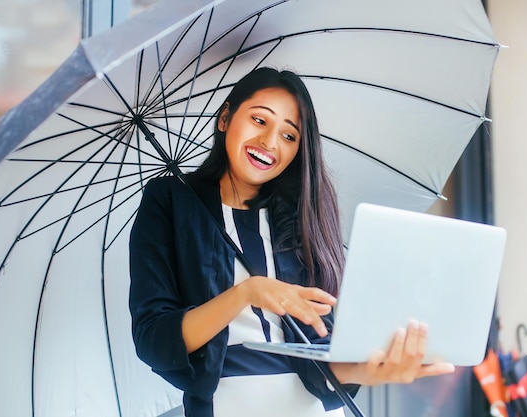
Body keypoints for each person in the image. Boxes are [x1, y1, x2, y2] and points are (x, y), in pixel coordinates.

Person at [128, 67, 455, 417]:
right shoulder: (170, 201)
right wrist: (246, 292)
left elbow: (321, 347)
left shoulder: (300, 213)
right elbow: (155, 341)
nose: (270, 143)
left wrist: (372, 369)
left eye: (289, 136)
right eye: (259, 120)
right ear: (225, 118)